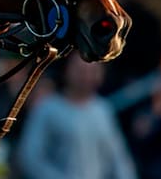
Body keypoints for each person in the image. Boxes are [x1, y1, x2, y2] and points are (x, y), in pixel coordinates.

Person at [14, 51, 138, 179]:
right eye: (81, 70)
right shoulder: (47, 109)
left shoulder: (102, 110)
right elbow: (29, 158)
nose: (86, 77)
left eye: (92, 71)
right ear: (66, 70)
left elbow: (118, 158)